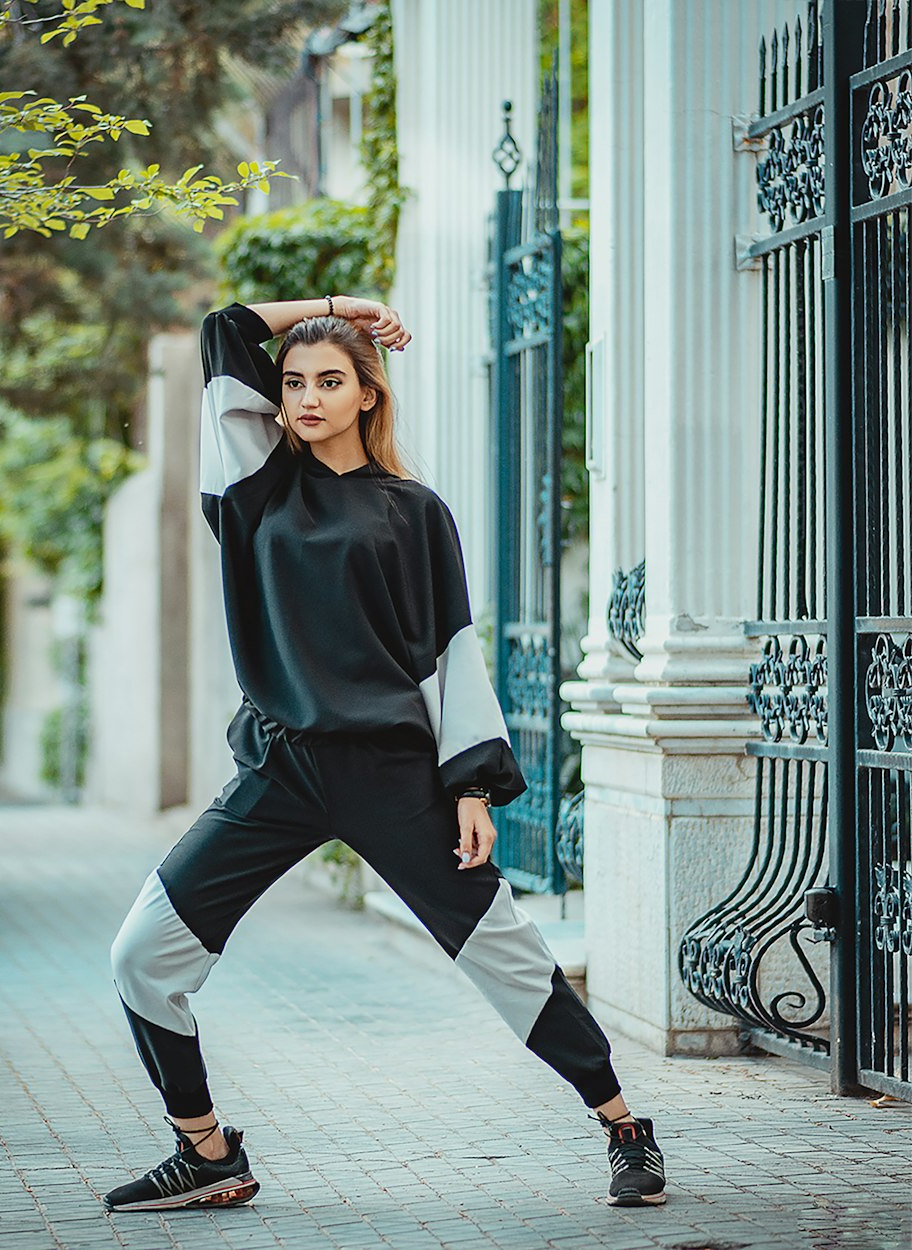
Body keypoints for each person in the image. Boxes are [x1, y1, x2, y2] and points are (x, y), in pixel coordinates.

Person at [102, 295, 666, 1213]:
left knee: (509, 956)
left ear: (369, 395)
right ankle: (207, 1152)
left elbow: (451, 657)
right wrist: (338, 310)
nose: (309, 398)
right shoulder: (255, 491)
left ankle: (624, 1128)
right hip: (280, 771)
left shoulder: (415, 513)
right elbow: (223, 330)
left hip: (395, 779)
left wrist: (474, 788)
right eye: (293, 384)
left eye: (332, 381)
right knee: (142, 955)